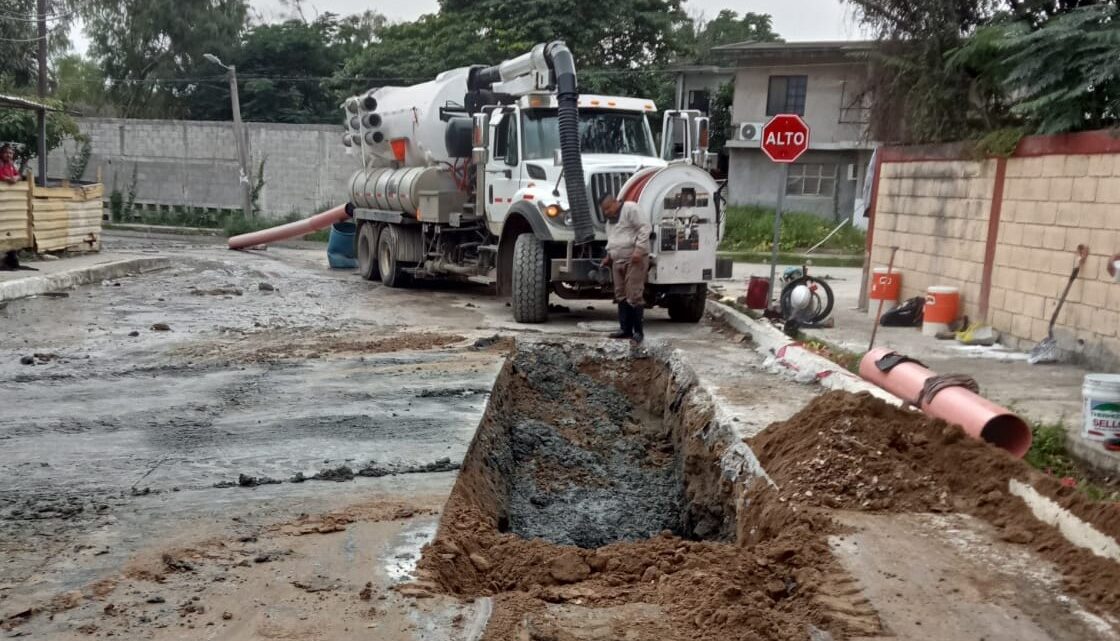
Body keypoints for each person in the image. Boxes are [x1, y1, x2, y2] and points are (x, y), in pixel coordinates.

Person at [599, 194, 651, 344]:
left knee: (634, 293)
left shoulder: (630, 209)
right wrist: (609, 256)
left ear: (615, 202)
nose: (606, 212)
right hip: (617, 260)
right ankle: (625, 329)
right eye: (604, 210)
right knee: (620, 294)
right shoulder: (610, 223)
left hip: (634, 259)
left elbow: (644, 227)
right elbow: (612, 240)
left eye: (608, 208)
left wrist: (639, 250)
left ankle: (638, 332)